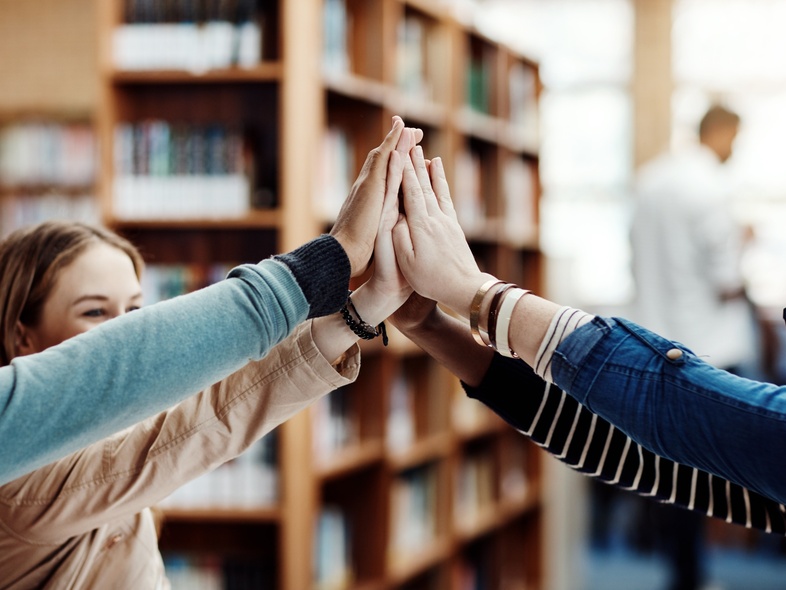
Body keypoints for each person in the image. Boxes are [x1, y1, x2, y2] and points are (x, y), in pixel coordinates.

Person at [0, 124, 420, 586]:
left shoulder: (103, 443)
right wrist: (334, 269)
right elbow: (207, 422)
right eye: (95, 311)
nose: (123, 330)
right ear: (23, 339)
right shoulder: (20, 489)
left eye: (137, 311)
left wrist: (366, 306)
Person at [387, 137, 786, 513]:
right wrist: (433, 324)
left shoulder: (661, 181)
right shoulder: (705, 189)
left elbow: (676, 414)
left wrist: (477, 294)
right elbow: (642, 455)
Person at [626, 103, 754, 590]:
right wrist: (744, 242)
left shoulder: (651, 181)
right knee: (710, 473)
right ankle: (694, 576)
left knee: (670, 471)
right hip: (710, 349)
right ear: (719, 132)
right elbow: (725, 281)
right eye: (735, 139)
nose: (734, 150)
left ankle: (681, 572)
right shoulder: (712, 188)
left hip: (656, 342)